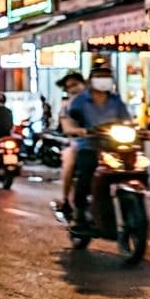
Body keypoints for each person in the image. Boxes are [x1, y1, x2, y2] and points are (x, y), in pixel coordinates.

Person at [63, 66, 132, 229]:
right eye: (100, 76)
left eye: (107, 77)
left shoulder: (116, 100)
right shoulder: (79, 101)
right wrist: (78, 130)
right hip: (89, 145)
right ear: (91, 81)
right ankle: (79, 213)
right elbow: (70, 121)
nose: (104, 80)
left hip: (114, 145)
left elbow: (127, 120)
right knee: (86, 173)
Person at [54, 72, 87, 217]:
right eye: (69, 87)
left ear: (83, 84)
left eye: (75, 84)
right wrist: (81, 131)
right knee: (70, 160)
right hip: (77, 143)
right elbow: (67, 128)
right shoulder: (66, 107)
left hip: (102, 142)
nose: (73, 89)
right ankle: (66, 199)